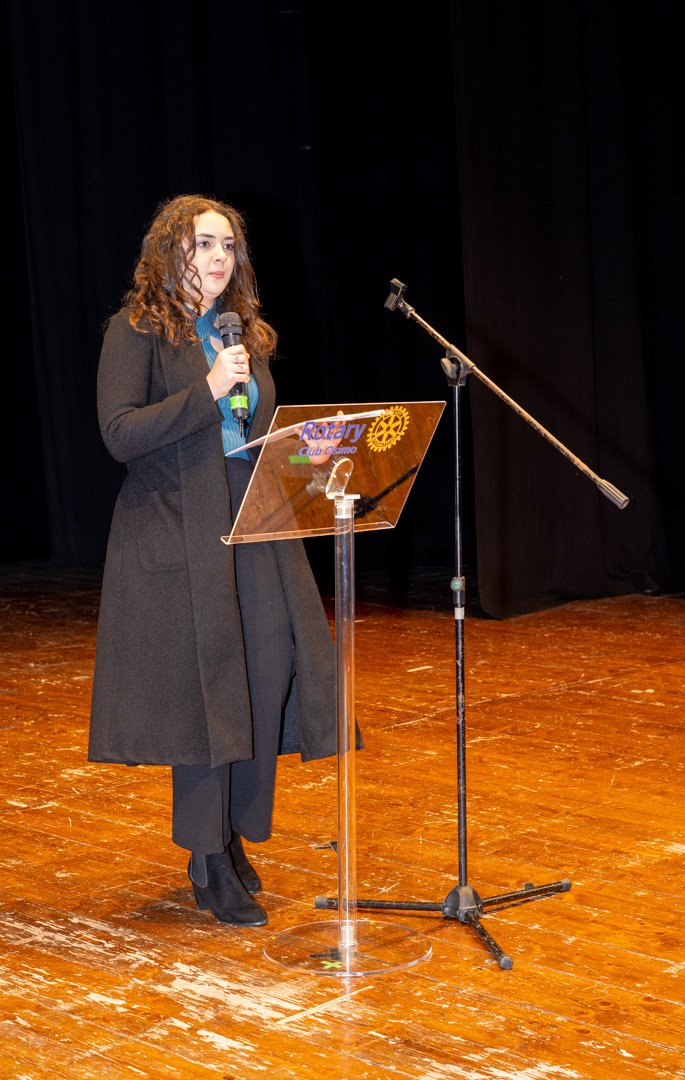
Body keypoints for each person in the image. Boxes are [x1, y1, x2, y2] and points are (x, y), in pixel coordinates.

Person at [88, 194, 339, 927]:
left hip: (257, 521)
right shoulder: (137, 330)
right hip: (178, 529)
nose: (220, 256)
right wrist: (207, 391)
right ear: (171, 250)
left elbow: (253, 431)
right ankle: (206, 858)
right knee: (209, 695)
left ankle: (232, 834)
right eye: (203, 243)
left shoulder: (241, 333)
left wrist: (310, 456)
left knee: (264, 675)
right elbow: (118, 433)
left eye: (228, 244)